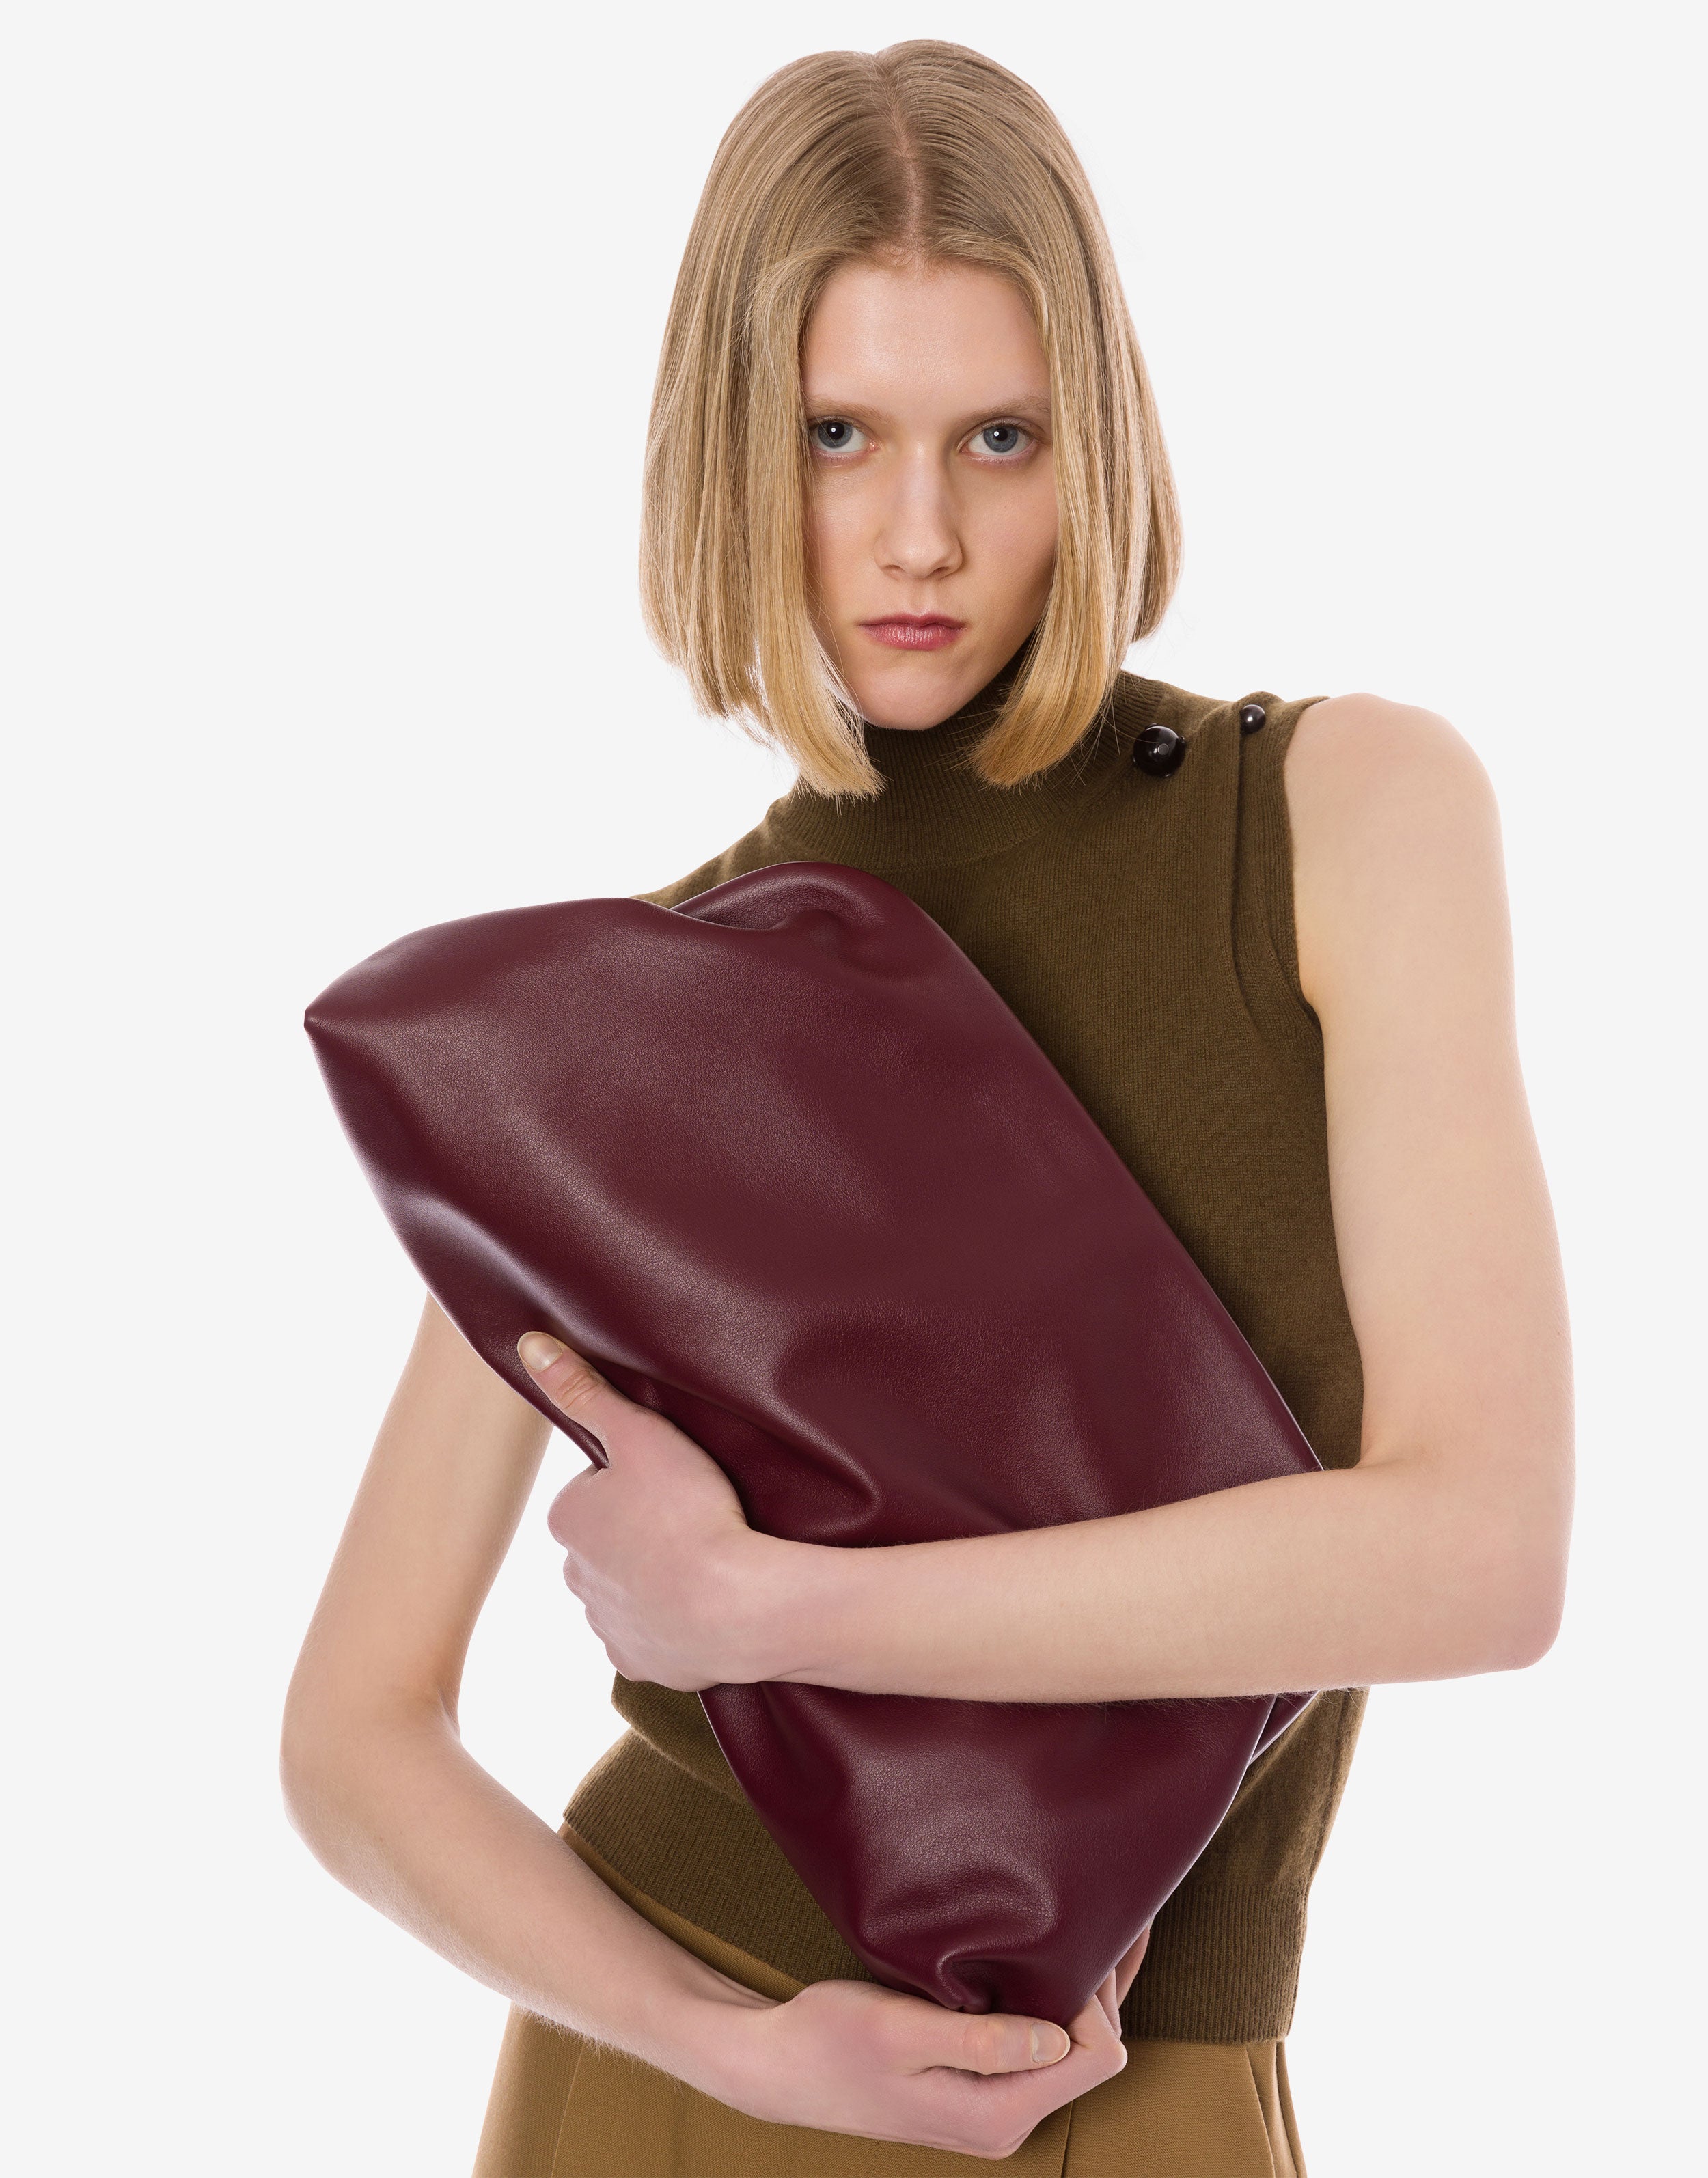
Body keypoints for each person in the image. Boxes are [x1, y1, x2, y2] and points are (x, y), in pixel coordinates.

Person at [282, 40, 1573, 2176]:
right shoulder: (634, 1011)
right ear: (731, 447)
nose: (917, 533)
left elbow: (1476, 1558)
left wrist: (766, 1612)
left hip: (1158, 2080)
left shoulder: (1337, 813)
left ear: (1095, 440)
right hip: (699, 2074)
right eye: (834, 435)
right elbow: (351, 1735)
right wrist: (727, 2045)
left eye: (997, 435)